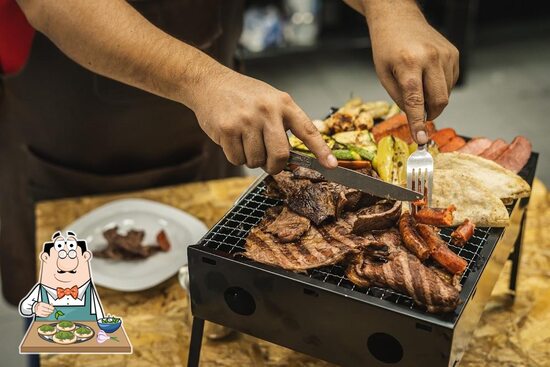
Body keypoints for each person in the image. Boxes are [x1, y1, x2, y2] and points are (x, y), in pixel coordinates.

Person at [0, 0, 458, 306]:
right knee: (74, 325)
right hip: (76, 124)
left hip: (215, 106)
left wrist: (391, 8)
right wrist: (202, 81)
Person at [19, 231, 104, 321]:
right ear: (45, 258)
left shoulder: (88, 290)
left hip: (85, 332)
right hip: (45, 332)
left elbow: (98, 314)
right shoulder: (41, 289)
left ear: (85, 257)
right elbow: (24, 308)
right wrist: (34, 307)